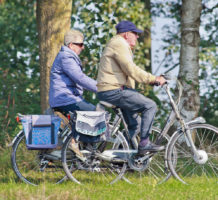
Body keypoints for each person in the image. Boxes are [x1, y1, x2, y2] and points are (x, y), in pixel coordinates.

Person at [97, 20, 166, 154]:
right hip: (113, 91)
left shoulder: (117, 43)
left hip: (113, 90)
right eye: (135, 33)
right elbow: (130, 69)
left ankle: (125, 159)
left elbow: (126, 73)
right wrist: (153, 79)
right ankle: (144, 144)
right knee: (150, 105)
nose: (138, 36)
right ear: (127, 34)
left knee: (136, 125)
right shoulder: (119, 43)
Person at [49, 29, 97, 114]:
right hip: (65, 99)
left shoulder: (66, 57)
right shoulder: (66, 57)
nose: (83, 47)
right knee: (97, 113)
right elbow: (80, 78)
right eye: (80, 44)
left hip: (68, 98)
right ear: (71, 45)